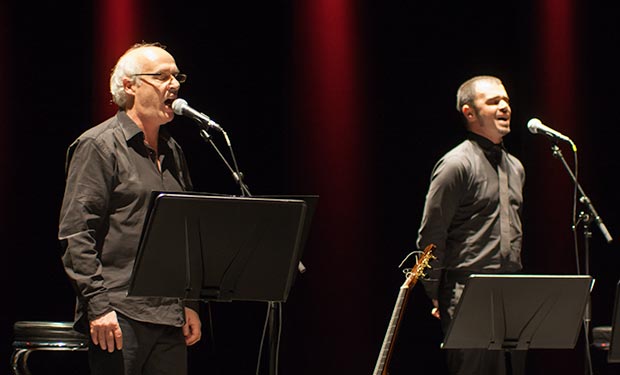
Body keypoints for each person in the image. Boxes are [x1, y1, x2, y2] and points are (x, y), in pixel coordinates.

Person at [58, 42, 202, 375]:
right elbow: (76, 232)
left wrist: (190, 303)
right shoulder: (99, 145)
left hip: (169, 315)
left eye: (177, 75)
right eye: (162, 76)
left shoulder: (173, 150)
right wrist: (98, 307)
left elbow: (185, 231)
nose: (175, 84)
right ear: (129, 85)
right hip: (120, 314)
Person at [416, 75, 525, 375]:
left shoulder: (515, 166)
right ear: (469, 113)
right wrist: (434, 291)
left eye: (506, 100)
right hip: (468, 290)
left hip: (512, 291)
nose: (504, 107)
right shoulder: (456, 164)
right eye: (493, 102)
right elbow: (431, 233)